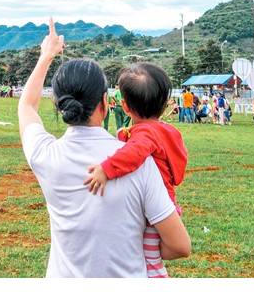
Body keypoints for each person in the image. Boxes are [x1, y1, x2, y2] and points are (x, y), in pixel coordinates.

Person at [18, 18, 191, 278]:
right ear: (105, 102)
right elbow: (180, 246)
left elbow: (27, 107)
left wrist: (47, 55)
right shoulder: (140, 160)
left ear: (59, 104)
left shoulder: (45, 155)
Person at [84, 63, 188, 278]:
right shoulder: (167, 131)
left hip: (154, 212)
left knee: (149, 259)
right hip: (168, 204)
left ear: (125, 106)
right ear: (163, 104)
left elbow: (134, 153)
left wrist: (106, 169)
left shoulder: (145, 135)